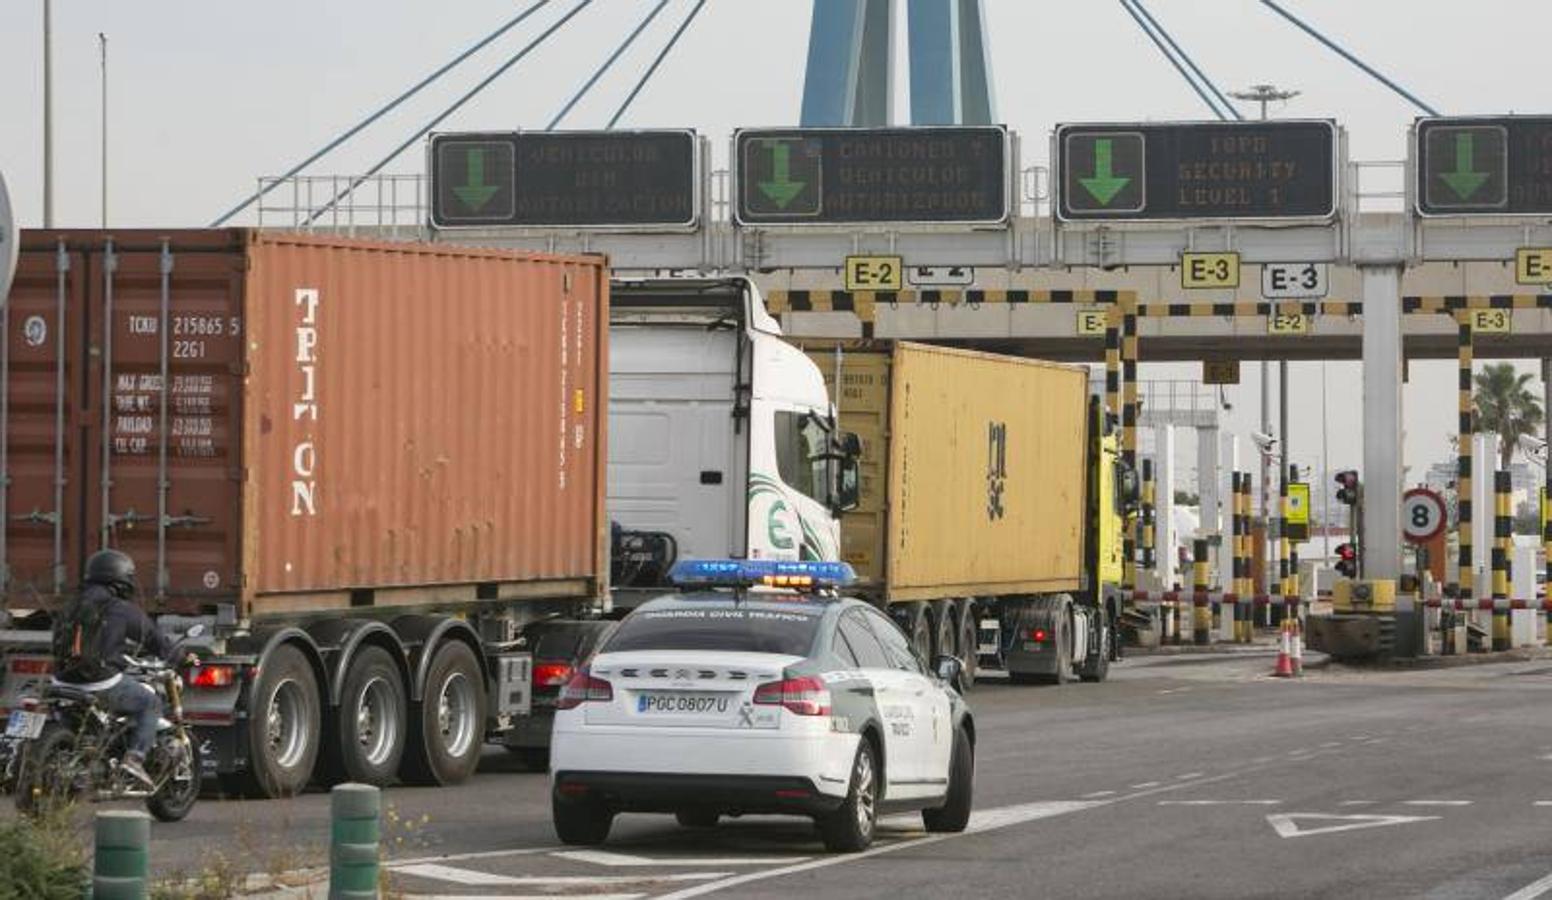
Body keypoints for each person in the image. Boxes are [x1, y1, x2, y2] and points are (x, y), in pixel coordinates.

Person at [52, 549, 176, 787]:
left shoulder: (72, 604)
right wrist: (179, 656)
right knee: (151, 703)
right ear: (121, 578)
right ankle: (134, 759)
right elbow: (152, 637)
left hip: (62, 681)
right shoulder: (118, 607)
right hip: (99, 681)